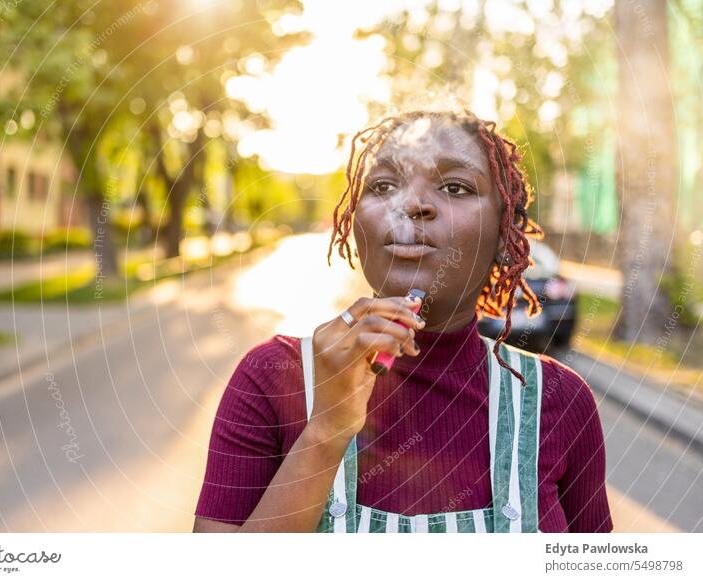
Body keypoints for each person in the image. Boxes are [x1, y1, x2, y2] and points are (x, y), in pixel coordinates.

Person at [193, 108, 613, 533]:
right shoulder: (271, 377)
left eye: (455, 186)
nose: (411, 205)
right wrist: (325, 432)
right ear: (356, 228)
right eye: (383, 185)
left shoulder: (559, 402)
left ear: (504, 235)